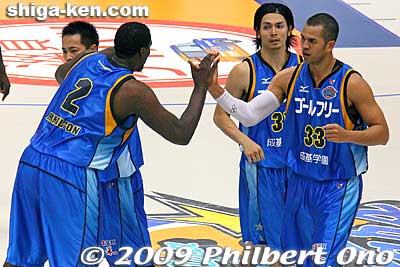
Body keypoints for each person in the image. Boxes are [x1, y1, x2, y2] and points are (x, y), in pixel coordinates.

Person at [3, 21, 218, 267]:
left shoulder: (85, 61)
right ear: (143, 52)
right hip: (69, 174)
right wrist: (201, 86)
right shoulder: (134, 92)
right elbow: (181, 134)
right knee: (77, 260)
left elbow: (60, 74)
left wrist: (103, 53)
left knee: (20, 257)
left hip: (31, 162)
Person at [208, 13, 389, 267]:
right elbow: (249, 115)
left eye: (312, 41)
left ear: (330, 45)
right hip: (299, 181)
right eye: (303, 39)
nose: (304, 46)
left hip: (336, 184)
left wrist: (348, 135)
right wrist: (216, 89)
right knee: (293, 258)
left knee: (322, 261)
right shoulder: (288, 78)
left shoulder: (352, 83)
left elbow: (382, 133)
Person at [213, 3, 302, 254]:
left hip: (300, 165)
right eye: (267, 27)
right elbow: (220, 116)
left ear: (290, 30)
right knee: (262, 246)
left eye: (279, 26)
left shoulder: (305, 66)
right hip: (261, 166)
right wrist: (245, 141)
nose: (273, 32)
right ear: (257, 31)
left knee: (301, 240)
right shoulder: (245, 71)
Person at [60, 21, 151, 266]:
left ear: (91, 51)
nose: (69, 58)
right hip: (84, 177)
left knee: (130, 254)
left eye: (74, 52)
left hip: (117, 175)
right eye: (65, 52)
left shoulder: (120, 85)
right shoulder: (84, 74)